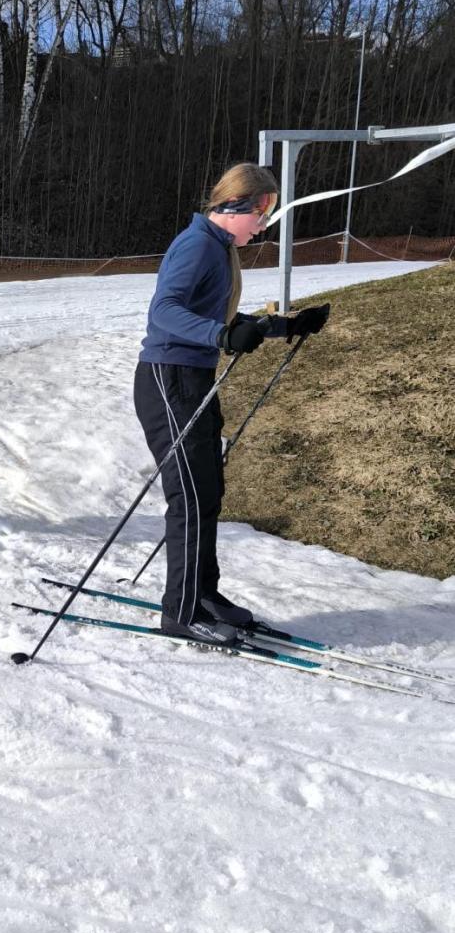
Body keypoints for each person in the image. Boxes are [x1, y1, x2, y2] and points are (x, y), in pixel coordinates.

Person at [133, 162, 330, 647]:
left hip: (192, 378)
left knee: (208, 492)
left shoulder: (217, 248)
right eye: (262, 213)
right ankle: (181, 611)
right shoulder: (198, 244)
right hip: (168, 378)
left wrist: (286, 326)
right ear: (237, 206)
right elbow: (165, 310)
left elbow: (217, 314)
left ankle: (204, 596)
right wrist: (221, 335)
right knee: (191, 498)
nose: (264, 225)